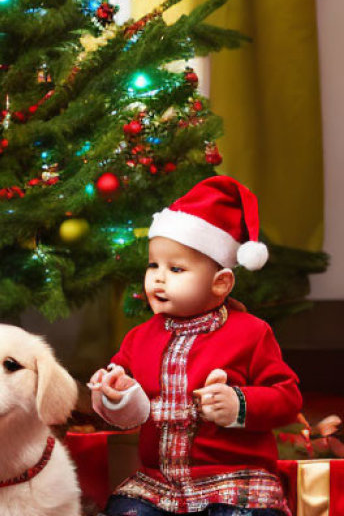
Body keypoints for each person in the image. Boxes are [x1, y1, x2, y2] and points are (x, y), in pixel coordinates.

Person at [88, 176, 301, 516]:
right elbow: (128, 411)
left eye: (175, 268)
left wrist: (239, 403)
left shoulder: (251, 332)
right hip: (160, 483)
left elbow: (288, 397)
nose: (158, 277)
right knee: (124, 510)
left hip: (233, 479)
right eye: (153, 265)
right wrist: (117, 393)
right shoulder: (139, 337)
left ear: (221, 284)